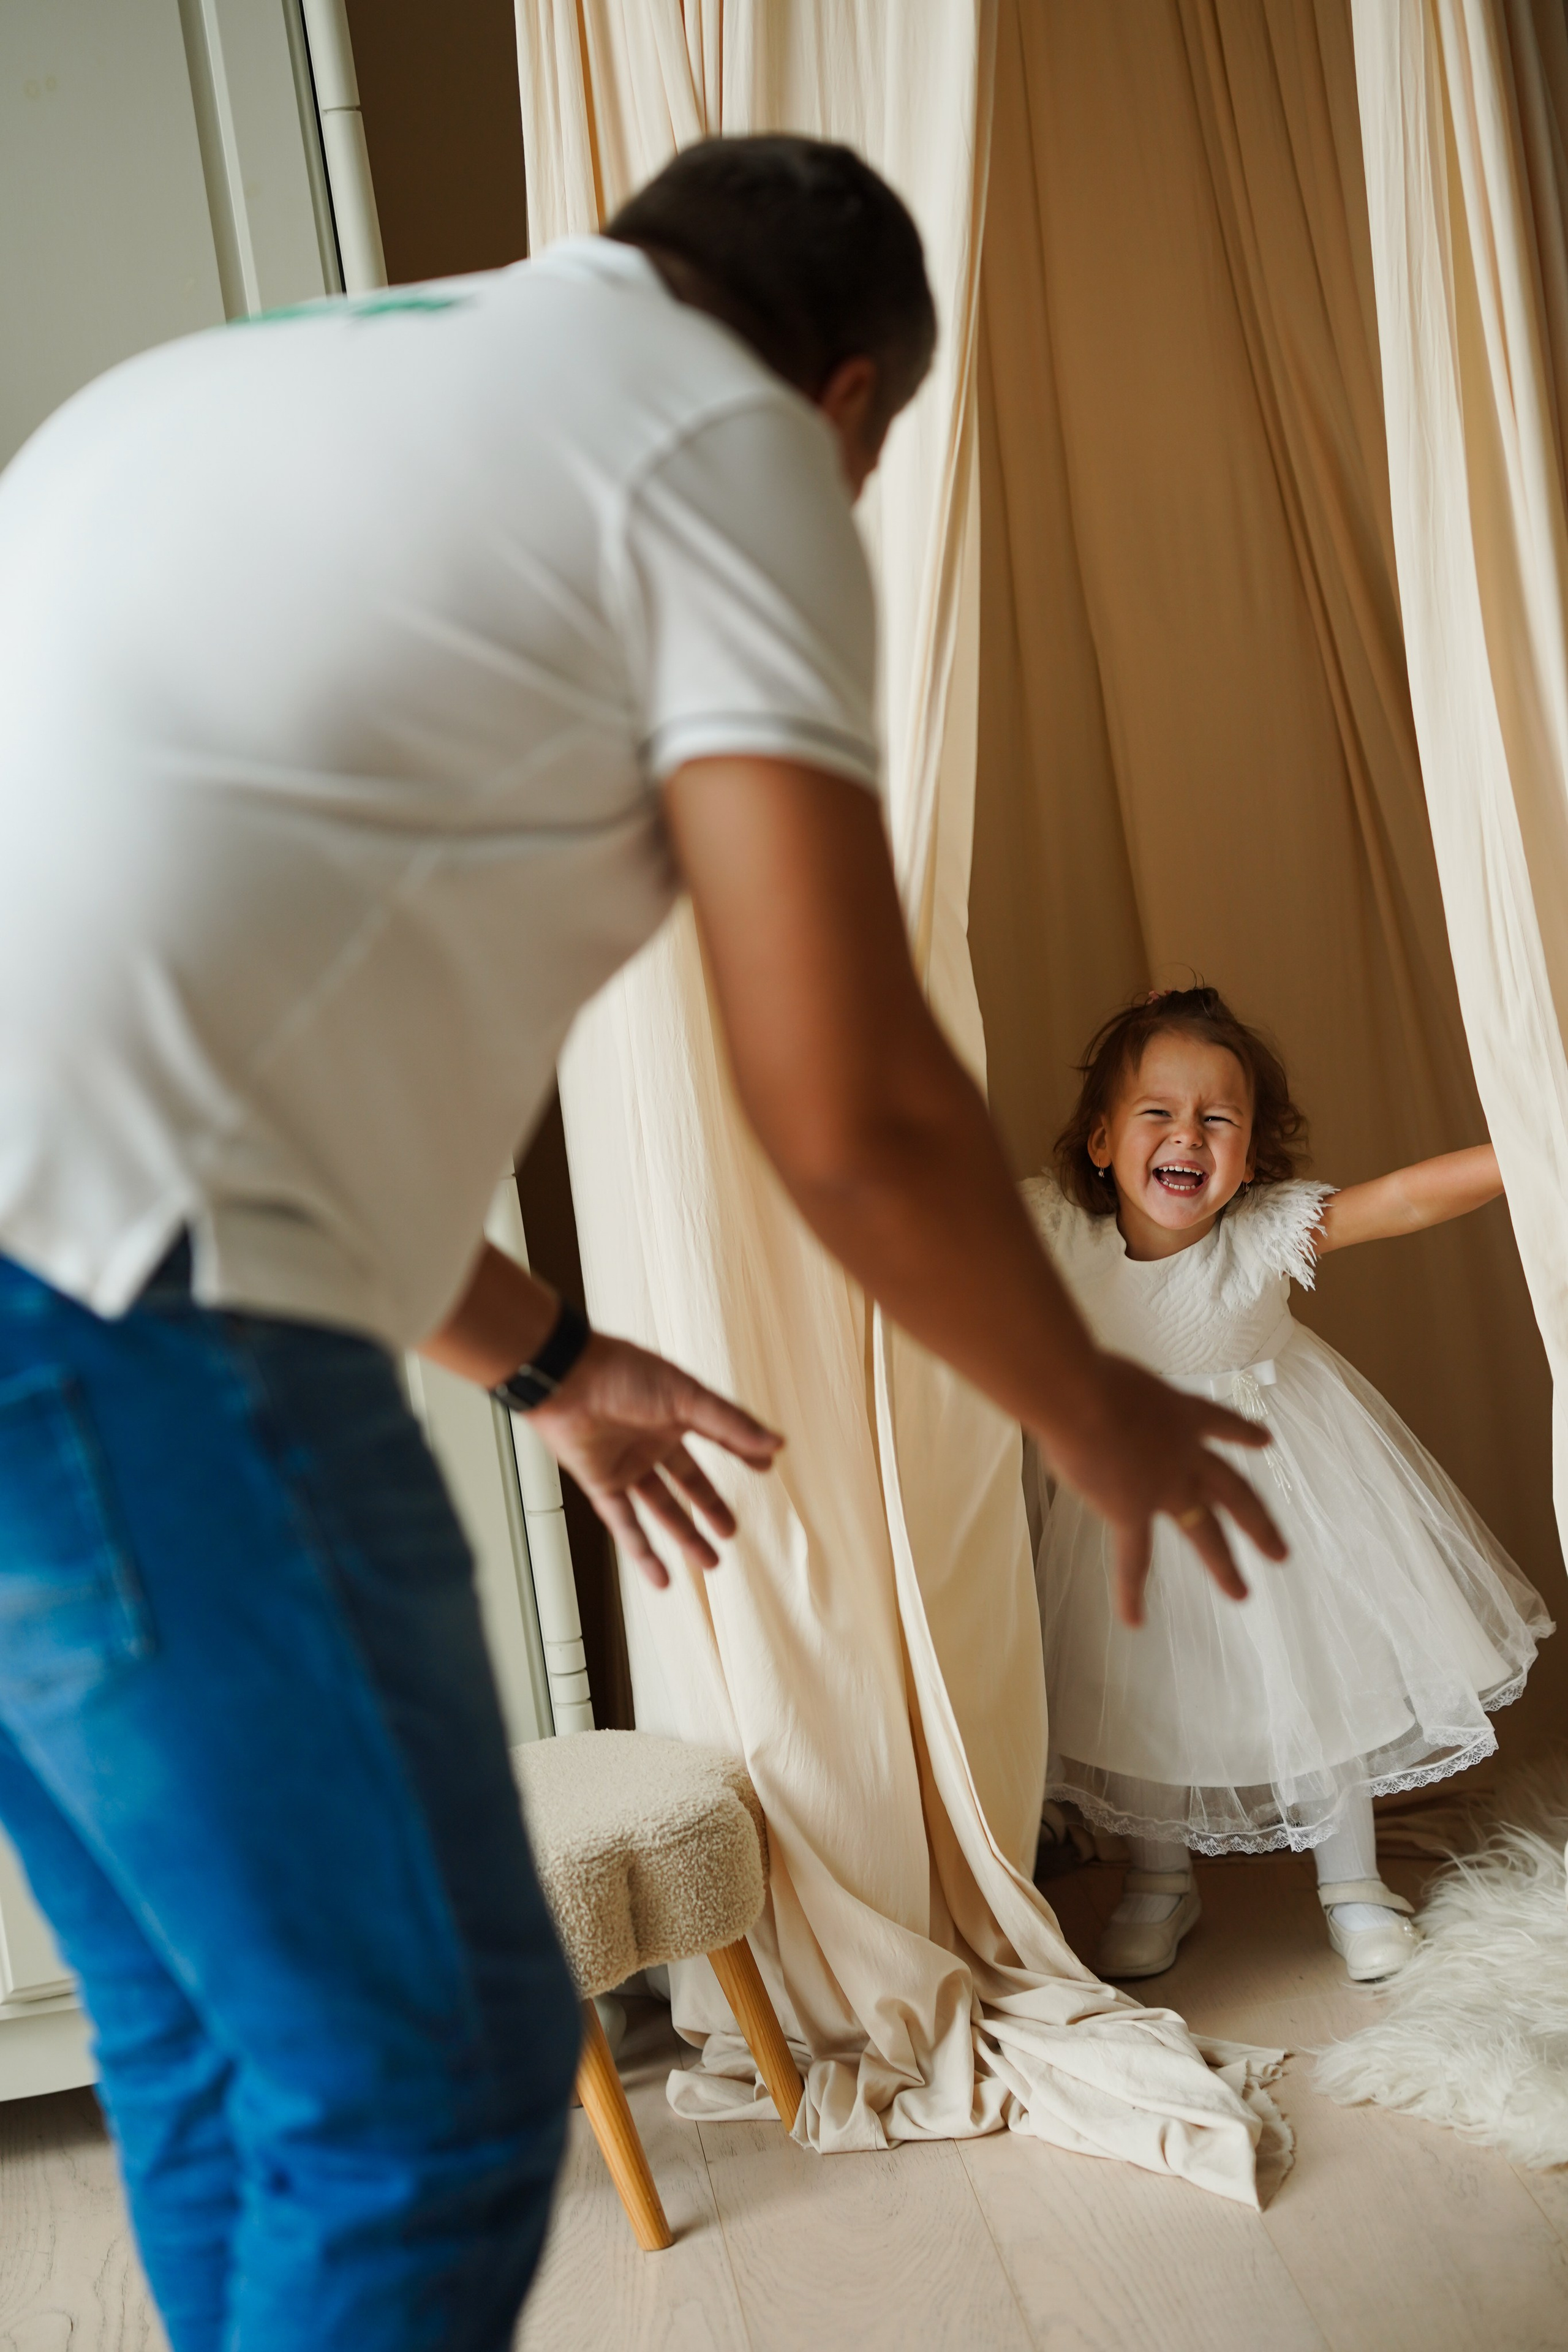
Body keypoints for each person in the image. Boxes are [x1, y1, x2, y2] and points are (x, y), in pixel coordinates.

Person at [0, 139, 1283, 2351]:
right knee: (423, 2092)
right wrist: (1095, 1405)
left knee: (221, 2045)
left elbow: (174, 989)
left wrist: (547, 1355)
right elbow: (854, 1111)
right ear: (855, 403)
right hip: (123, 1314)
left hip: (72, 1276)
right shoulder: (725, 436)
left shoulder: (269, 389)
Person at [1023, 986, 1552, 1986]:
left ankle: (1353, 1887)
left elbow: (1401, 1198)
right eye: (1159, 1114)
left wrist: (1528, 1149)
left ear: (1254, 1158)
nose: (1189, 1136)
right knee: (1143, 1686)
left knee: (1322, 1684)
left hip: (1279, 1505)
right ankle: (1159, 1878)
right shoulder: (1062, 1234)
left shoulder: (1263, 1237)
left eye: (1218, 1119)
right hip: (1130, 1507)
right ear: (1101, 1142)